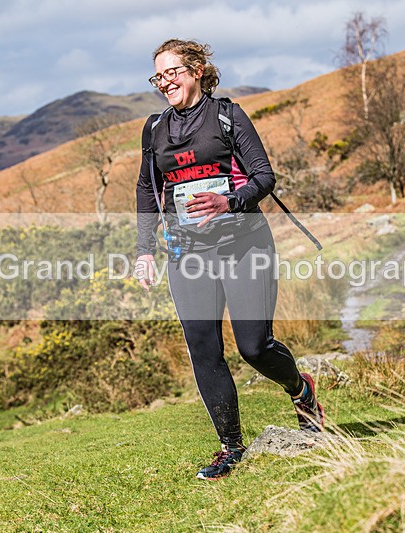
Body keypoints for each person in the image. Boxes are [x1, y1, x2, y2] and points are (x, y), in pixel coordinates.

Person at [134, 39, 323, 480]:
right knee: (203, 348)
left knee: (253, 347)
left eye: (172, 73)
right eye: (158, 76)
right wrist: (144, 250)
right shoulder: (154, 129)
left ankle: (301, 389)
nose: (165, 83)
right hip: (188, 254)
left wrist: (228, 203)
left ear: (197, 69)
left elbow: (263, 177)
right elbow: (147, 189)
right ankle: (230, 446)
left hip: (244, 245)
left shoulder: (227, 116)